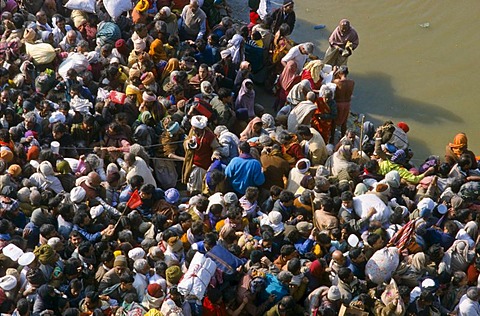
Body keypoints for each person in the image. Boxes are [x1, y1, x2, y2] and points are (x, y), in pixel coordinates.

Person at [182, 115, 221, 193]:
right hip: (192, 164)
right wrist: (188, 143)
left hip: (203, 166)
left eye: (196, 129)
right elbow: (186, 141)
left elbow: (216, 147)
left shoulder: (209, 136)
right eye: (193, 128)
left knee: (199, 188)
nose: (194, 130)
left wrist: (215, 154)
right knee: (191, 185)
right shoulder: (192, 132)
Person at [332, 65, 355, 138]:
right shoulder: (352, 82)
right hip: (347, 104)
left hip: (338, 103)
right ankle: (342, 137)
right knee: (344, 122)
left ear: (339, 73)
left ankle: (332, 138)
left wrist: (334, 73)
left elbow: (331, 84)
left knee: (334, 122)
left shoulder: (337, 82)